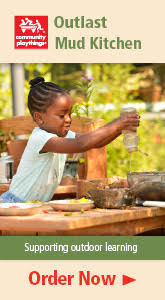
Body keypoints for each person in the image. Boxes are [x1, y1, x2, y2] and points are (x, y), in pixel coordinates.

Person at [0, 77, 140, 203]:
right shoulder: (40, 138)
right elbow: (81, 144)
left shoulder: (62, 135)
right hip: (13, 204)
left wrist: (121, 129)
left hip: (34, 206)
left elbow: (96, 142)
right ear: (39, 117)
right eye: (62, 115)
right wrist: (117, 123)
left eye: (69, 113)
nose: (68, 119)